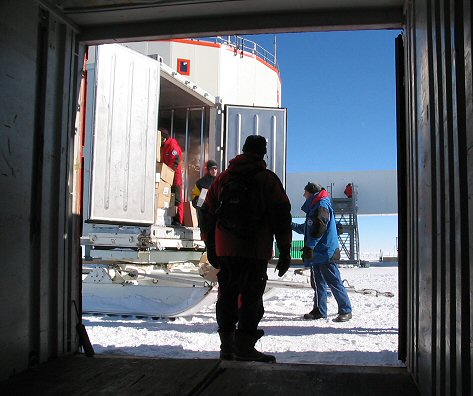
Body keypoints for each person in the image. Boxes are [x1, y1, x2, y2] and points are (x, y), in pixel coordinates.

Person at [200, 135, 292, 363]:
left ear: (242, 151)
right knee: (251, 299)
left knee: (227, 296)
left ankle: (227, 346)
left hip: (226, 248)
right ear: (263, 153)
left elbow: (206, 211)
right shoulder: (267, 180)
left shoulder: (222, 179)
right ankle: (244, 347)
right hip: (255, 249)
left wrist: (210, 244)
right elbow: (281, 215)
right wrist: (285, 248)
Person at [292, 182, 352, 322]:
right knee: (317, 283)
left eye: (305, 192)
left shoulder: (321, 205)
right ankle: (319, 310)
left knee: (334, 281)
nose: (303, 195)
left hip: (325, 252)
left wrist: (309, 247)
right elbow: (309, 228)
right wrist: (291, 224)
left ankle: (346, 310)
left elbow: (319, 229)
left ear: (311, 192)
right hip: (319, 253)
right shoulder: (316, 206)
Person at [160, 128, 184, 225]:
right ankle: (170, 217)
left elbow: (175, 160)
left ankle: (178, 219)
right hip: (168, 176)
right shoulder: (164, 146)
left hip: (174, 177)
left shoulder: (172, 146)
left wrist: (169, 173)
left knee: (176, 198)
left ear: (164, 138)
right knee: (169, 197)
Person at [191, 160, 218, 226]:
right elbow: (195, 200)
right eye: (212, 169)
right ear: (208, 169)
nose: (214, 171)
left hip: (216, 214)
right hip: (204, 215)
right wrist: (202, 206)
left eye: (215, 169)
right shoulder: (201, 183)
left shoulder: (220, 181)